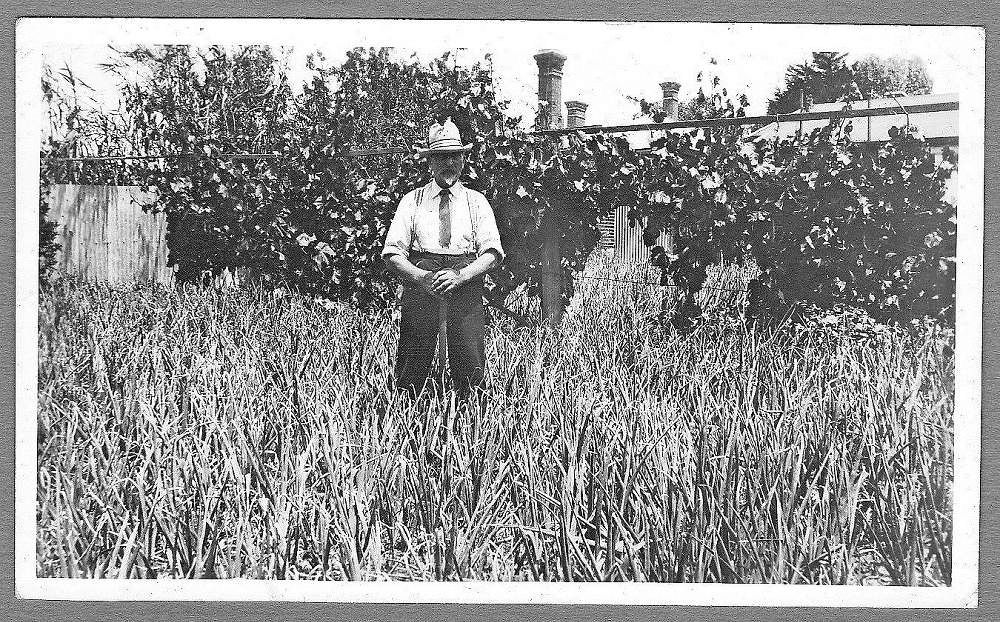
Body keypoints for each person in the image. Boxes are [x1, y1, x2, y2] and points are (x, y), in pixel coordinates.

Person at [382, 118, 504, 400]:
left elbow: (493, 252)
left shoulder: (476, 201)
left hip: (465, 282)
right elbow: (392, 252)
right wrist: (422, 278)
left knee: (470, 363)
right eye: (440, 157)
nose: (448, 163)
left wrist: (461, 276)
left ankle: (470, 426)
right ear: (430, 163)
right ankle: (407, 422)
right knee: (412, 364)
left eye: (453, 156)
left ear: (462, 160)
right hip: (421, 283)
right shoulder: (412, 201)